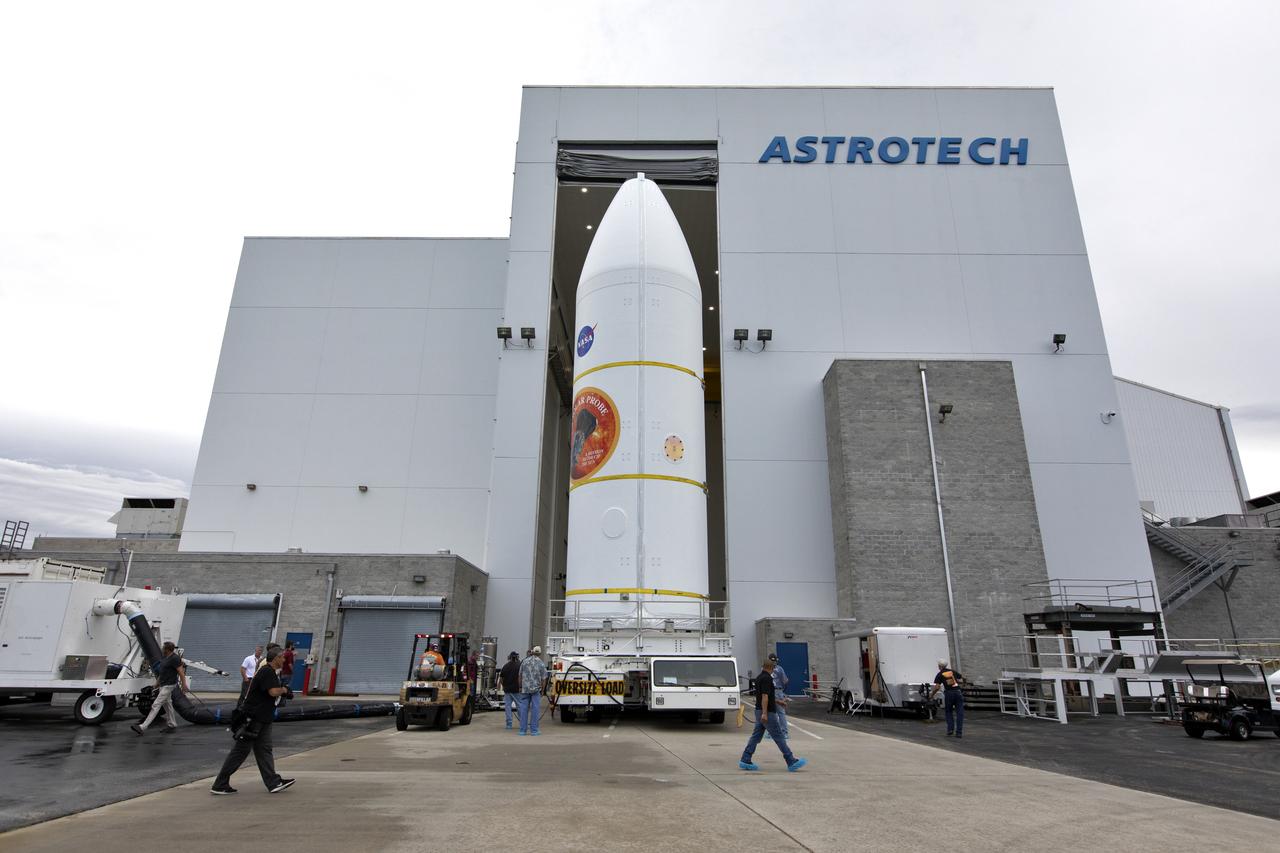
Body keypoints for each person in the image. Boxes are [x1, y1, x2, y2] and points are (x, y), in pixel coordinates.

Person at [211, 645, 294, 795]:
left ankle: (273, 782)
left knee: (264, 750)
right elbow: (273, 691)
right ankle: (220, 784)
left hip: (263, 719)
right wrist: (285, 690)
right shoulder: (267, 671)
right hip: (253, 719)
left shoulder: (271, 672)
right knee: (240, 751)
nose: (284, 659)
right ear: (276, 659)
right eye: (282, 657)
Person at [739, 658, 806, 773]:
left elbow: (766, 695)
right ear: (772, 668)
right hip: (767, 713)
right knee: (779, 736)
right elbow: (765, 696)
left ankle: (745, 759)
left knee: (756, 736)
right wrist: (765, 713)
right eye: (774, 668)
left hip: (759, 710)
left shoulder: (760, 677)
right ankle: (791, 760)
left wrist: (779, 702)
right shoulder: (767, 679)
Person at [132, 641, 187, 736]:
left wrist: (184, 685)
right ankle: (172, 724)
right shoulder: (165, 658)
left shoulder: (175, 658)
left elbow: (181, 672)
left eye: (163, 648)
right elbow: (162, 674)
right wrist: (155, 685)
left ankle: (142, 727)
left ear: (167, 649)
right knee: (167, 704)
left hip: (169, 685)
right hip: (163, 685)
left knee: (156, 704)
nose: (162, 649)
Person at [929, 659, 965, 738]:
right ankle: (959, 733)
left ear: (940, 666)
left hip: (949, 693)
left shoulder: (940, 674)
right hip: (958, 692)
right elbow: (962, 677)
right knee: (960, 713)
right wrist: (963, 684)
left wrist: (931, 695)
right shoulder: (952, 671)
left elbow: (937, 687)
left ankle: (950, 730)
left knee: (948, 711)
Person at [517, 646, 548, 736]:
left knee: (523, 709)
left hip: (525, 689)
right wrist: (543, 690)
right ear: (540, 653)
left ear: (532, 652)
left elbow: (520, 675)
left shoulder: (524, 661)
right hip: (536, 690)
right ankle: (534, 730)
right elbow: (544, 678)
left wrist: (520, 687)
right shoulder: (541, 663)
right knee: (535, 710)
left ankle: (522, 730)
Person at [764, 652, 789, 741]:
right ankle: (784, 733)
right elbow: (785, 681)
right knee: (781, 713)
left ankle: (771, 733)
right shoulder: (780, 669)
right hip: (778, 691)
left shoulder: (766, 669)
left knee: (771, 713)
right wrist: (782, 689)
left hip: (769, 691)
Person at [498, 651, 521, 730]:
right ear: (517, 657)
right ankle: (522, 723)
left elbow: (501, 678)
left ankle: (509, 724)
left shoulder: (505, 666)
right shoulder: (519, 666)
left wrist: (504, 686)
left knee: (508, 707)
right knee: (519, 706)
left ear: (509, 657)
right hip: (517, 690)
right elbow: (521, 678)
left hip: (507, 690)